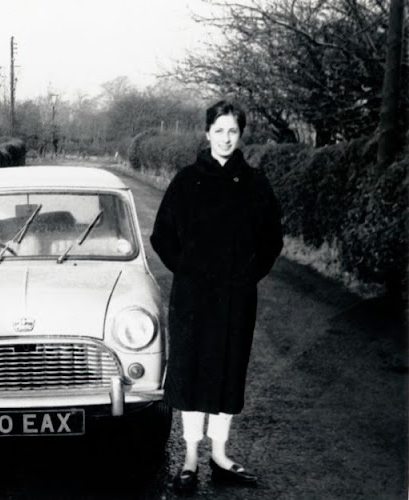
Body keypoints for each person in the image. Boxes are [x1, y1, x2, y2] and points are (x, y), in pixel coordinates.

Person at [150, 100, 283, 492]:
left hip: (236, 299)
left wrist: (245, 276)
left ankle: (221, 455)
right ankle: (190, 458)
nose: (226, 138)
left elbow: (272, 240)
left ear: (240, 135)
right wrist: (189, 271)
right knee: (191, 373)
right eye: (219, 130)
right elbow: (162, 236)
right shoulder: (186, 181)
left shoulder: (255, 184)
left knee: (228, 372)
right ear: (207, 133)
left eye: (233, 131)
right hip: (192, 300)